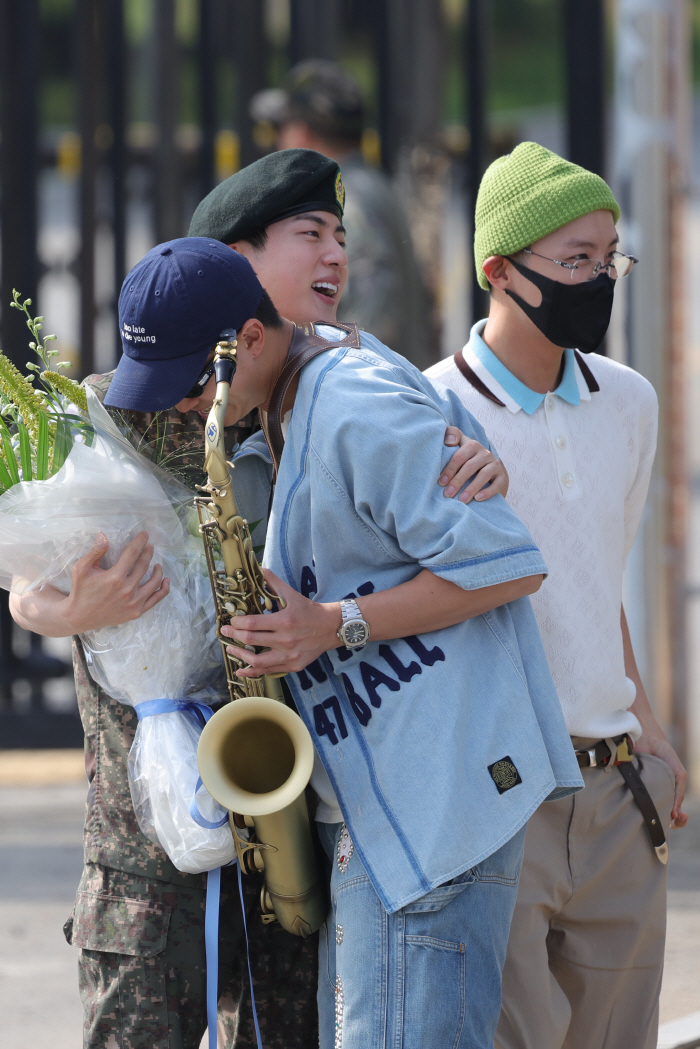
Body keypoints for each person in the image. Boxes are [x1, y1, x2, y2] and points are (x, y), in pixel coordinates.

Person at [9, 151, 505, 1049]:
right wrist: (53, 611)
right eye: (308, 235)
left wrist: (475, 458)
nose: (196, 400)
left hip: (280, 820)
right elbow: (25, 578)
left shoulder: (306, 395)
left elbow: (426, 481)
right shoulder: (108, 416)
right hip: (138, 847)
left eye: (337, 237)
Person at [106, 234, 582, 1049]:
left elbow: (507, 565)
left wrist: (330, 625)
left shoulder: (352, 403)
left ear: (250, 340)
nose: (184, 410)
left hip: (435, 811)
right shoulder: (288, 402)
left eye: (188, 386)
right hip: (387, 810)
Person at [424, 141, 689, 1049]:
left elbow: (596, 576)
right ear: (499, 271)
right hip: (500, 794)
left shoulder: (630, 400)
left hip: (618, 790)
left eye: (608, 259)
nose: (599, 281)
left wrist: (651, 734)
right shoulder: (430, 414)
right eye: (575, 262)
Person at [248, 60, 433, 368]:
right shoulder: (373, 184)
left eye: (282, 128)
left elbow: (375, 305)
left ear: (302, 134)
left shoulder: (343, 200)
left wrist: (336, 376)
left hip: (371, 402)